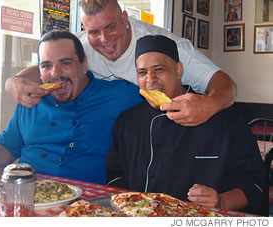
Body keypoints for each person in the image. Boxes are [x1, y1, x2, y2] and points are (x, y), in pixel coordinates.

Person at [5, 0, 237, 127]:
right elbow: (46, 70)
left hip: (168, 128)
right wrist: (14, 82)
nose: (104, 39)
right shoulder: (82, 45)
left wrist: (210, 104)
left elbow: (225, 84)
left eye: (111, 27)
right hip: (114, 135)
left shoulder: (163, 44)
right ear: (84, 29)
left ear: (125, 18)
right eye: (94, 32)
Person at [105, 35, 264, 214]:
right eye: (142, 73)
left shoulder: (224, 119)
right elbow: (115, 174)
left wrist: (222, 201)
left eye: (159, 69)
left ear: (178, 70)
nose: (150, 80)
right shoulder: (127, 122)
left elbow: (256, 182)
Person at [0, 30, 143, 184]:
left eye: (65, 63)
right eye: (46, 65)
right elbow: (7, 147)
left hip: (89, 204)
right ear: (39, 71)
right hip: (30, 196)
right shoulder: (31, 101)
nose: (55, 73)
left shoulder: (120, 95)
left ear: (83, 65)